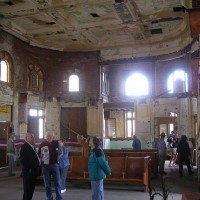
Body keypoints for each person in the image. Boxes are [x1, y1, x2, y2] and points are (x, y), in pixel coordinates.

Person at [38, 132, 62, 200]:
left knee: (57, 183)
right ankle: (49, 198)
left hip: (55, 166)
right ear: (46, 137)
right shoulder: (42, 144)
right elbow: (39, 155)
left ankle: (59, 197)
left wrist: (57, 160)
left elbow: (61, 152)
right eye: (47, 136)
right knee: (47, 184)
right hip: (45, 166)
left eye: (50, 136)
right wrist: (42, 163)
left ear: (53, 137)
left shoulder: (57, 143)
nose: (48, 137)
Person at [20, 133, 40, 200]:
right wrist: (30, 169)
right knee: (27, 192)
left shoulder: (32, 147)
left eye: (33, 137)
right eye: (31, 137)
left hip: (33, 172)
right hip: (29, 173)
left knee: (30, 191)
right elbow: (23, 161)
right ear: (26, 138)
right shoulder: (25, 147)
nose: (33, 138)